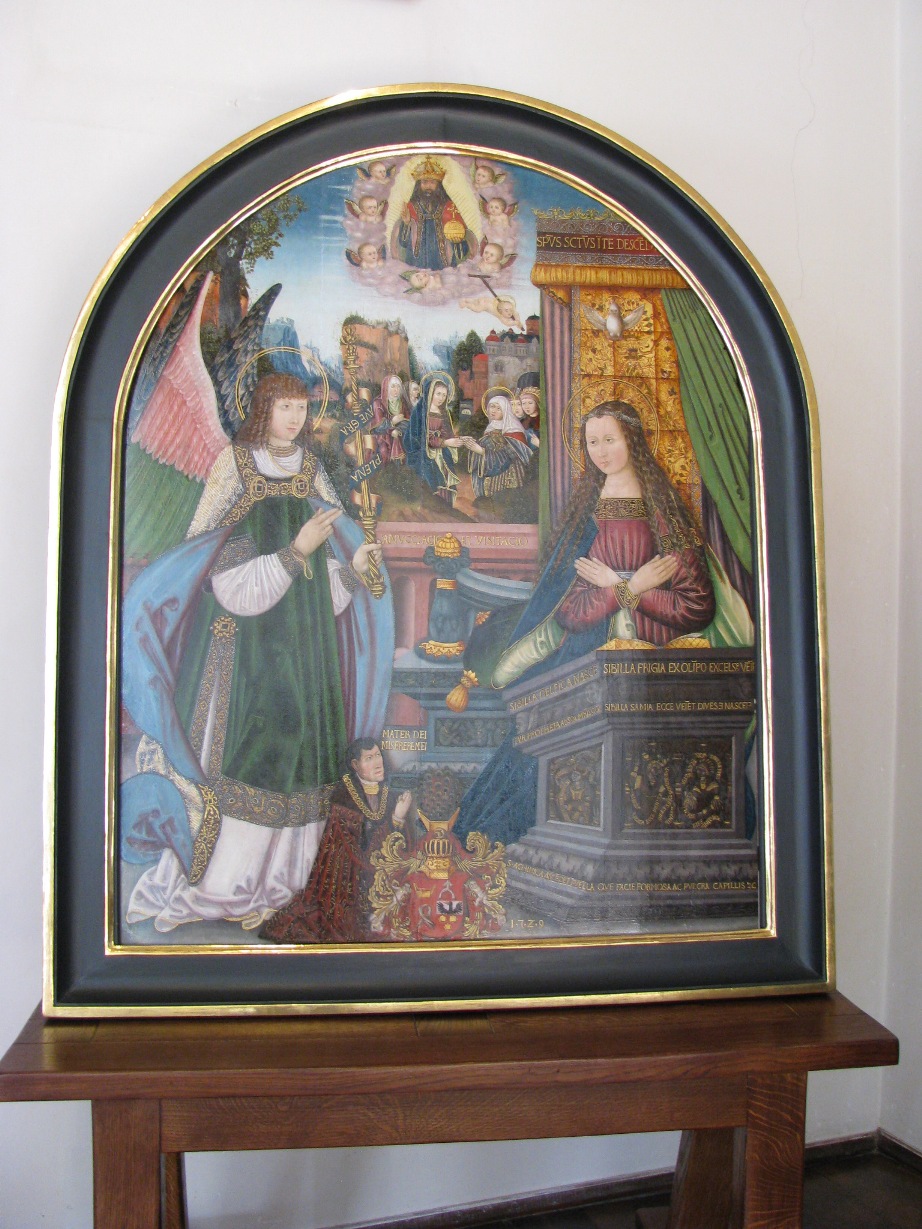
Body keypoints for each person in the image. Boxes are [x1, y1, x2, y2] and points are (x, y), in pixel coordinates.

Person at [124, 373, 393, 932]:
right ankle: (227, 886)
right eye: (284, 407)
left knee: (305, 757)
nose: (294, 419)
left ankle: (284, 885)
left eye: (302, 408)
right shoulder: (237, 465)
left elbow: (325, 589)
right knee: (254, 753)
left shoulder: (312, 471)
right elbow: (220, 572)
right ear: (263, 409)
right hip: (247, 651)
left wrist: (352, 569)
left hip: (306, 650)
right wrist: (297, 550)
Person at [454, 400, 715, 845]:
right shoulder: (585, 516)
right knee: (545, 752)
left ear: (633, 440)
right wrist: (625, 588)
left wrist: (625, 591)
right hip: (580, 662)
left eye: (610, 439)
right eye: (592, 442)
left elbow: (695, 607)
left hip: (648, 665)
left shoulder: (663, 513)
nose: (601, 451)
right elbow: (570, 611)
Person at [259, 738, 413, 943]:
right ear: (355, 765)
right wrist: (396, 819)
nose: (378, 763)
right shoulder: (343, 796)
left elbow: (403, 846)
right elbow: (356, 846)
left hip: (384, 875)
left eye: (378, 756)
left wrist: (399, 820)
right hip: (352, 881)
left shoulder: (391, 796)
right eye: (369, 758)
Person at [391, 156, 475, 269]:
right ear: (419, 185)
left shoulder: (448, 206)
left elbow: (461, 233)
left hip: (442, 258)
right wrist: (406, 224)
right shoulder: (411, 206)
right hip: (416, 258)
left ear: (438, 185)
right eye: (424, 182)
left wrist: (457, 239)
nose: (428, 186)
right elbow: (402, 243)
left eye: (432, 182)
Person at [456, 394, 531, 499]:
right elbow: (485, 447)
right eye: (492, 406)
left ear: (505, 411)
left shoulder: (514, 431)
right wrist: (470, 444)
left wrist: (481, 451)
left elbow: (508, 457)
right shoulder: (490, 429)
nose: (494, 411)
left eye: (498, 408)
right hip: (489, 478)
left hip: (508, 477)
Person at [403, 374, 462, 503]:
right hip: (425, 454)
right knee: (432, 483)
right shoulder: (420, 412)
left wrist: (456, 440)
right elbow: (420, 437)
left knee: (445, 481)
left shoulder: (444, 412)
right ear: (430, 393)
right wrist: (445, 442)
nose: (441, 398)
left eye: (444, 395)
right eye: (438, 394)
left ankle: (446, 506)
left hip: (441, 453)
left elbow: (446, 432)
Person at [371, 374, 410, 464]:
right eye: (393, 386)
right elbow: (378, 427)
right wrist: (392, 422)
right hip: (384, 437)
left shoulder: (403, 403)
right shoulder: (378, 403)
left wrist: (398, 430)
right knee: (384, 452)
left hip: (401, 434)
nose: (396, 390)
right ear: (386, 388)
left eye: (398, 386)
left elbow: (409, 423)